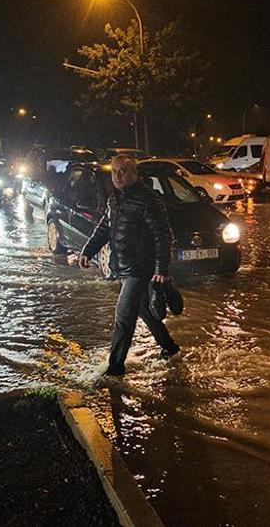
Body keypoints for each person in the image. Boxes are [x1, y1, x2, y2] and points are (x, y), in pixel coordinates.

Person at [78, 155, 180, 376]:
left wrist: (162, 269)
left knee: (124, 315)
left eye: (123, 171)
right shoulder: (114, 200)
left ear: (135, 174)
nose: (118, 176)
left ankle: (115, 368)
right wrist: (88, 250)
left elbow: (163, 235)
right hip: (123, 266)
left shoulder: (148, 200)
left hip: (141, 267)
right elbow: (105, 228)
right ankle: (171, 349)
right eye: (114, 172)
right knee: (143, 310)